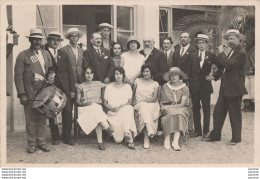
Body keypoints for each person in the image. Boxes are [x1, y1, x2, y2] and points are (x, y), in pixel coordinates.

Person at [203, 29, 248, 146]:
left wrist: (222, 52)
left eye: (232, 38)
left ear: (239, 39)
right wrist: (214, 76)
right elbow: (224, 69)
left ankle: (236, 139)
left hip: (234, 89)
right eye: (228, 39)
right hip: (225, 89)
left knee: (235, 115)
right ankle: (215, 136)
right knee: (218, 112)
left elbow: (229, 64)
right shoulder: (233, 52)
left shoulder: (241, 53)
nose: (230, 41)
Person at [14, 29, 54, 153]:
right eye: (34, 39)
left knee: (42, 118)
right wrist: (22, 94)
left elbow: (51, 70)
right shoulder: (23, 55)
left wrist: (51, 76)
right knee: (31, 119)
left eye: (39, 39)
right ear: (30, 40)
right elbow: (18, 76)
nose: (37, 41)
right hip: (30, 92)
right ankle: (32, 143)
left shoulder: (46, 54)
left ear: (41, 40)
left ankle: (41, 142)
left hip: (43, 91)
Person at [189, 34, 224, 138]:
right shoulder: (192, 55)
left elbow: (221, 68)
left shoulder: (211, 55)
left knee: (206, 108)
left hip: (205, 86)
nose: (201, 45)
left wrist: (213, 76)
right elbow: (189, 70)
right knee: (195, 107)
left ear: (207, 44)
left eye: (203, 43)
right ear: (196, 44)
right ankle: (197, 130)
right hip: (194, 85)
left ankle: (206, 131)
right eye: (199, 43)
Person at [45, 31, 74, 145]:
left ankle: (67, 137)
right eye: (52, 40)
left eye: (57, 40)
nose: (55, 42)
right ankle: (55, 138)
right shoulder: (44, 53)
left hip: (65, 89)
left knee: (67, 112)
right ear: (48, 41)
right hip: (51, 88)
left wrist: (72, 90)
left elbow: (71, 72)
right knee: (53, 112)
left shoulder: (64, 53)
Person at [76, 67, 114, 150]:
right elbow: (77, 101)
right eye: (87, 73)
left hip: (96, 109)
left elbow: (110, 85)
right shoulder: (81, 86)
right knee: (95, 110)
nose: (89, 75)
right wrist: (85, 103)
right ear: (84, 74)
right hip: (85, 109)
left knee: (96, 113)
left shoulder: (98, 83)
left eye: (90, 73)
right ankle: (107, 127)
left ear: (93, 75)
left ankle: (100, 142)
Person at [59, 27, 85, 146]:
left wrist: (81, 84)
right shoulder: (63, 50)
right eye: (72, 36)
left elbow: (82, 68)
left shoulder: (81, 51)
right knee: (68, 111)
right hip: (68, 85)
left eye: (76, 36)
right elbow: (63, 72)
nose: (74, 38)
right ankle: (67, 136)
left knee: (80, 110)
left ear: (78, 38)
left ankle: (78, 134)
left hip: (80, 83)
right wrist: (71, 89)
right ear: (69, 38)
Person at [103, 67, 137, 149]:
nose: (118, 76)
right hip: (113, 114)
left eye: (120, 74)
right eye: (116, 74)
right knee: (118, 140)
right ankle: (126, 135)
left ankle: (128, 136)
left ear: (123, 75)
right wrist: (112, 109)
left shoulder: (127, 87)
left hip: (124, 111)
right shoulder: (109, 87)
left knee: (128, 108)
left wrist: (123, 106)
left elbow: (130, 101)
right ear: (114, 75)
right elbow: (104, 103)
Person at [160, 67, 190, 151]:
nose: (174, 77)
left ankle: (175, 141)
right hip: (167, 106)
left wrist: (169, 107)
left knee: (180, 114)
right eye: (172, 75)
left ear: (179, 76)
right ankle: (167, 138)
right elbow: (161, 100)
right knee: (168, 113)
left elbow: (182, 104)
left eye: (176, 75)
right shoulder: (165, 86)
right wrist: (162, 107)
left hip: (180, 107)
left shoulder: (185, 88)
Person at [133, 64, 160, 149]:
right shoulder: (137, 81)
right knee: (144, 107)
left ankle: (146, 137)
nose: (145, 73)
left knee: (146, 108)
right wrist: (136, 102)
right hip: (138, 104)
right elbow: (133, 94)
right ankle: (149, 131)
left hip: (152, 104)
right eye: (144, 71)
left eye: (147, 71)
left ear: (151, 72)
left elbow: (154, 98)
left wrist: (142, 101)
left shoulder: (155, 83)